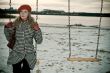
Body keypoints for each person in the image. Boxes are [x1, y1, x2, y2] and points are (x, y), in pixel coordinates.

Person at [4, 4, 43, 73]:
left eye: (25, 11)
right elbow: (9, 39)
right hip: (16, 52)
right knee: (16, 70)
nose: (23, 13)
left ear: (29, 13)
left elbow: (39, 41)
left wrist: (37, 30)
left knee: (26, 71)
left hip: (29, 53)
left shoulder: (33, 24)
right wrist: (7, 29)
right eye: (21, 12)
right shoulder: (14, 24)